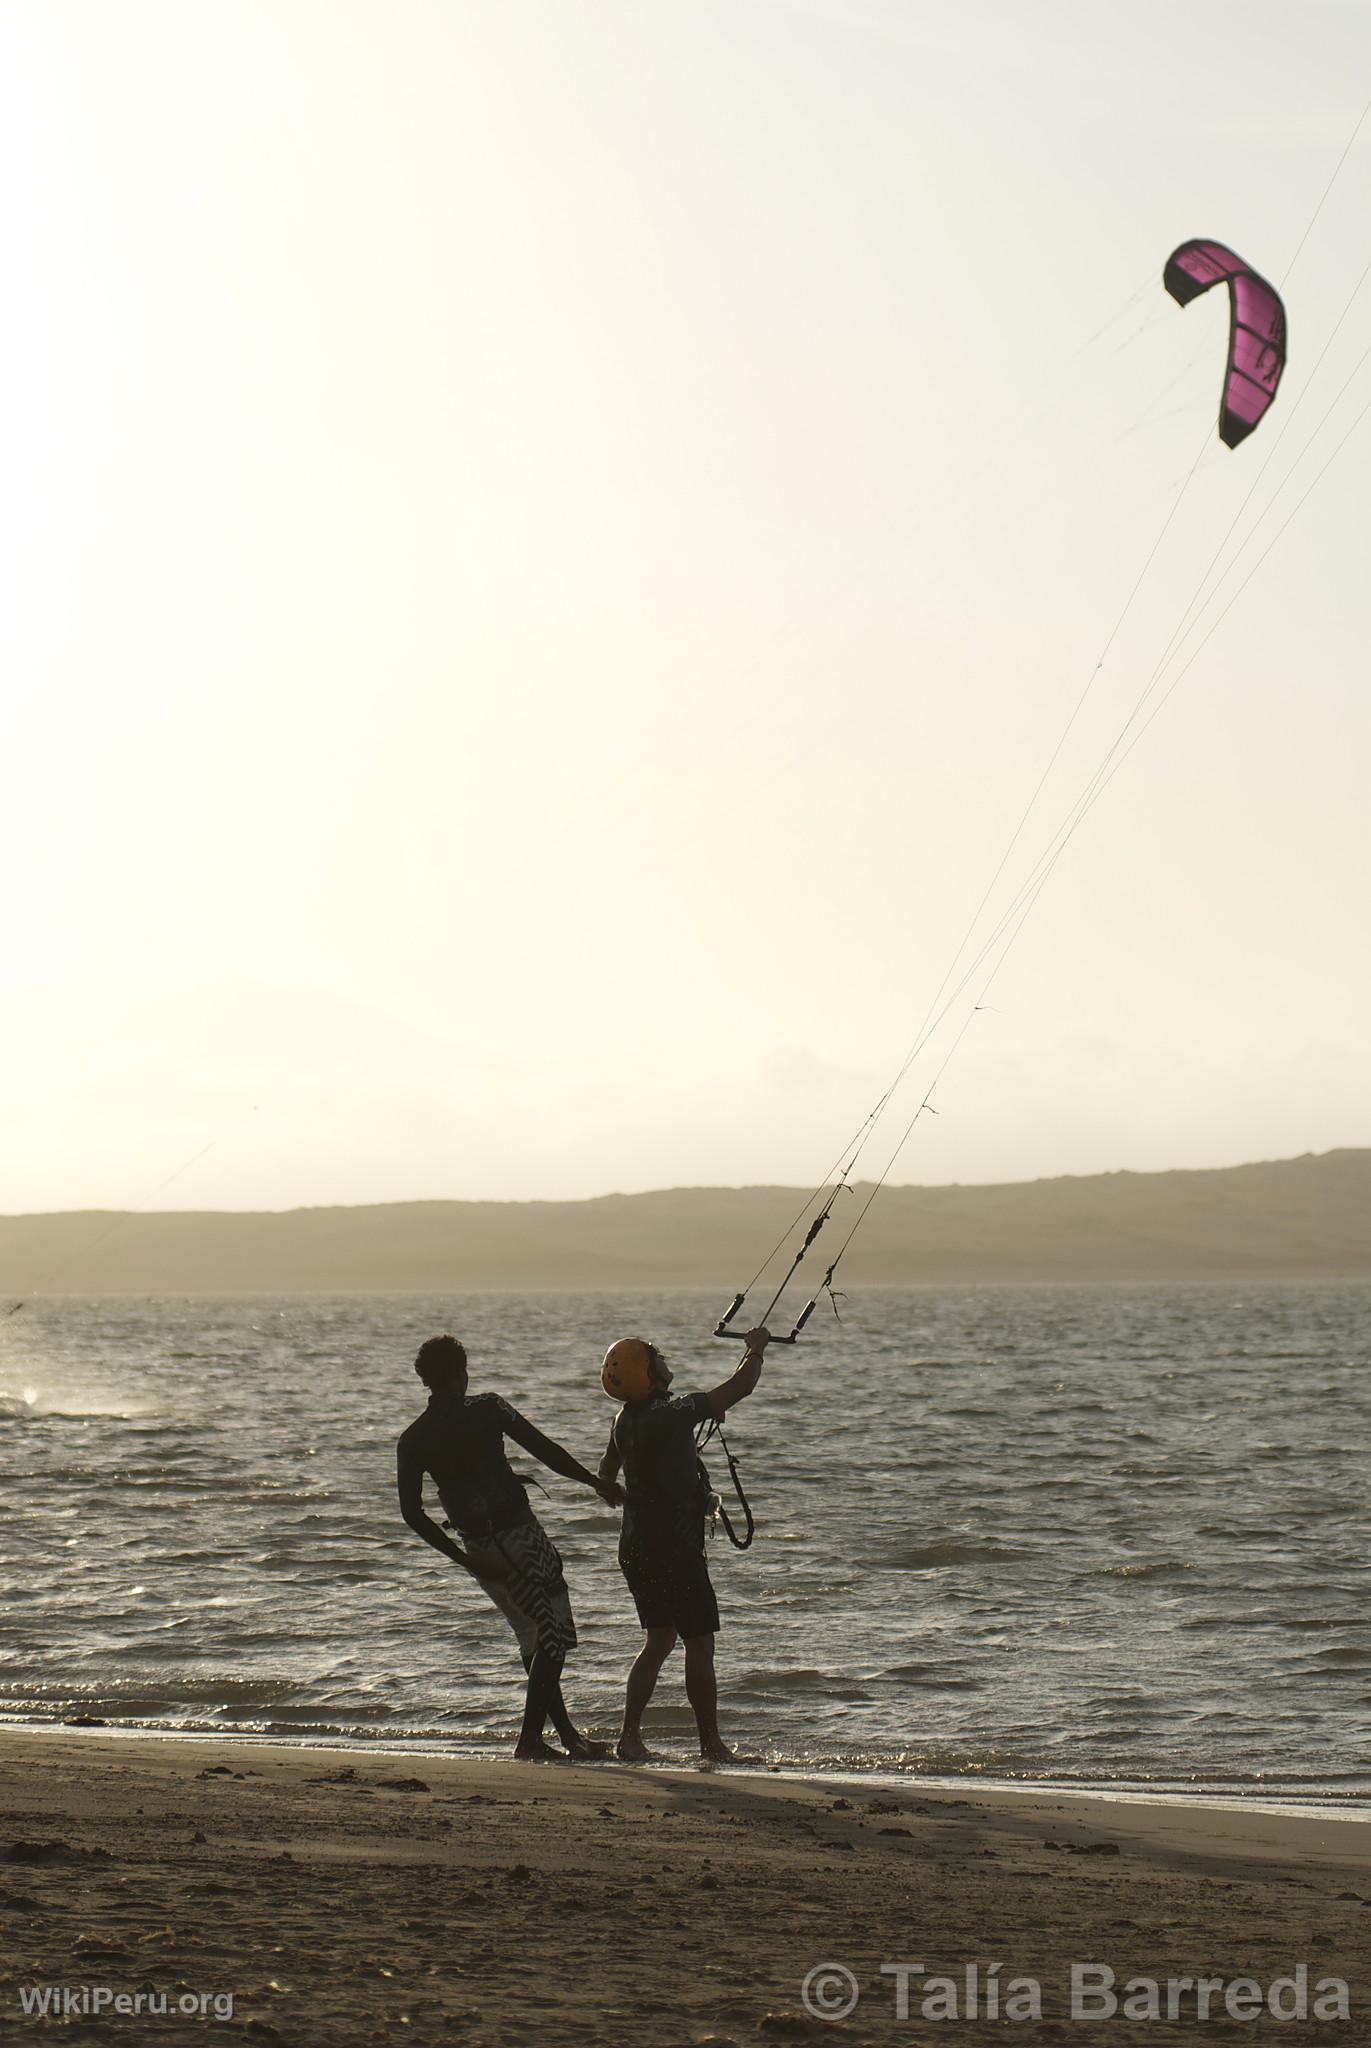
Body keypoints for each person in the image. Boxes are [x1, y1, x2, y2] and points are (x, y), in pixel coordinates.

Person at [397, 1334, 623, 1762]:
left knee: (534, 1640)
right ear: (461, 1373)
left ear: (427, 1380)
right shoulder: (488, 1408)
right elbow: (546, 1451)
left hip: (478, 1547)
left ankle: (567, 1740)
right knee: (550, 1640)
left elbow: (412, 1513)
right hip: (521, 1538)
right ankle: (531, 1741)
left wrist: (463, 1558)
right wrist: (597, 1483)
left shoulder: (414, 1439)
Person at [597, 1327, 768, 1763]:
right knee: (699, 1642)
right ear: (648, 1374)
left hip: (635, 1545)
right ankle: (711, 1745)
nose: (663, 1363)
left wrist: (618, 1490)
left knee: (658, 1640)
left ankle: (630, 1737)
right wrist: (756, 1349)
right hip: (674, 1546)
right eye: (656, 1359)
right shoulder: (671, 1413)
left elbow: (605, 1473)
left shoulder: (624, 1420)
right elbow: (740, 1387)